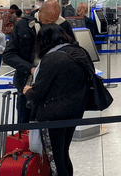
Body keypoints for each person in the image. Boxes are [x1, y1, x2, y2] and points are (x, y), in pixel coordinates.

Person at [23, 24, 93, 176]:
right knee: (63, 152)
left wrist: (28, 91)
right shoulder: (79, 51)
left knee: (55, 157)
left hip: (53, 115)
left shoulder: (51, 59)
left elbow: (38, 91)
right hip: (75, 110)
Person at [3, 0, 76, 123]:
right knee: (25, 124)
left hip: (55, 86)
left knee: (53, 128)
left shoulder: (64, 25)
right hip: (27, 83)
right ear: (40, 11)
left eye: (54, 21)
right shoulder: (23, 26)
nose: (50, 25)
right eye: (47, 21)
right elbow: (8, 55)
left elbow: (72, 51)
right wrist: (31, 69)